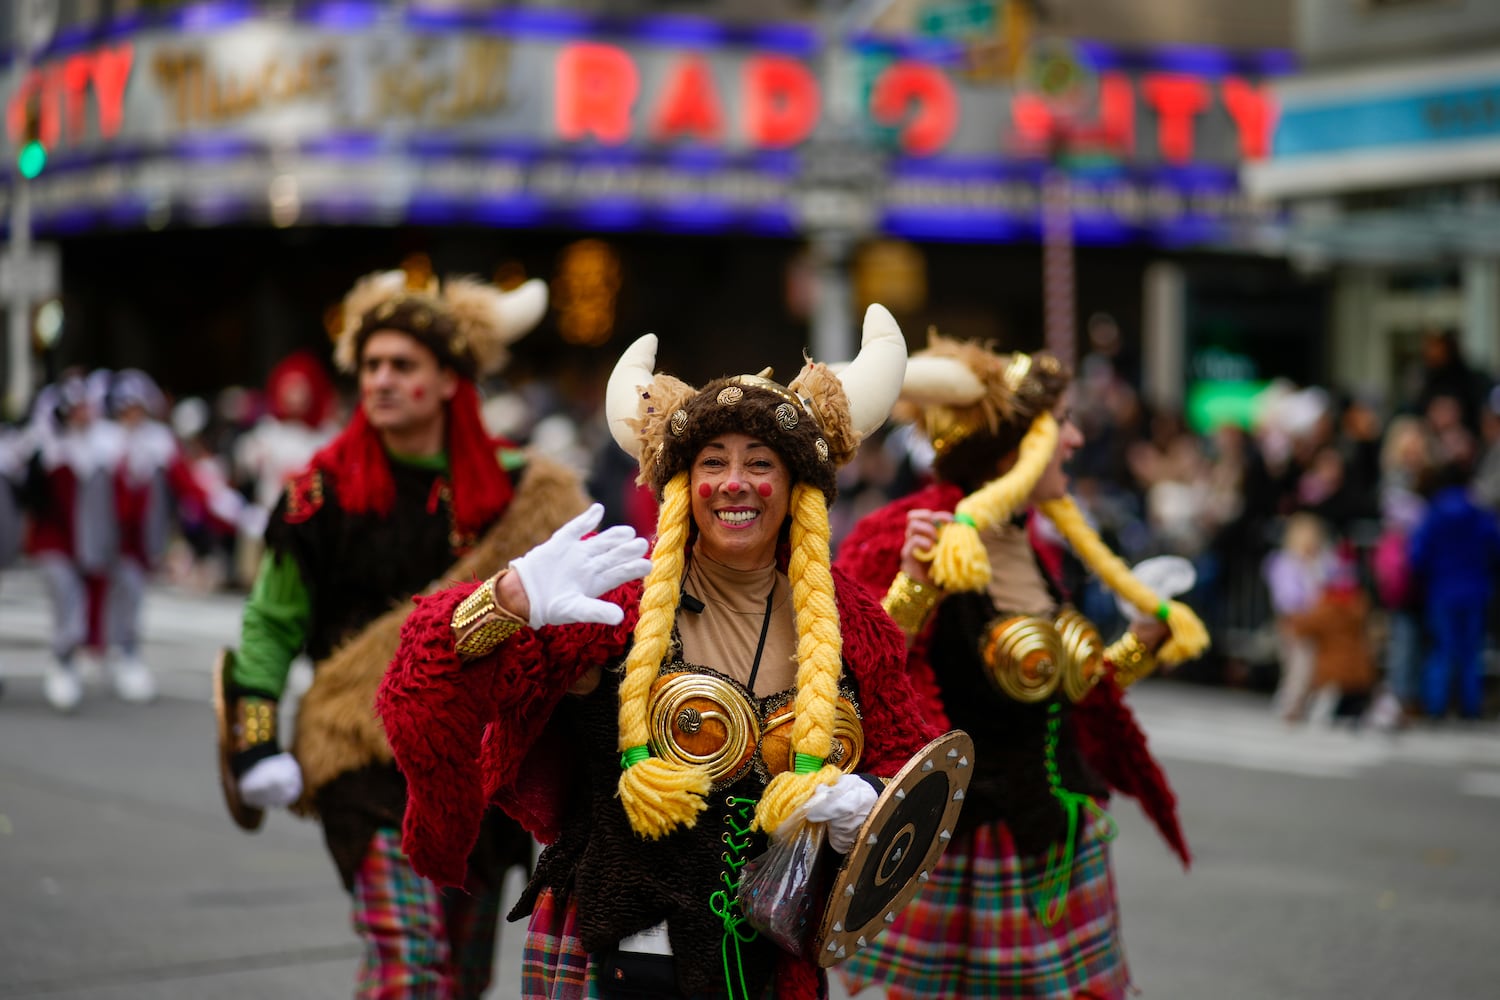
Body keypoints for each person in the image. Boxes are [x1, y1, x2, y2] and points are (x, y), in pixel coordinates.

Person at [377, 306, 946, 999]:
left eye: (760, 463)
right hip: (617, 950)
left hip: (768, 960)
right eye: (713, 463)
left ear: (798, 487)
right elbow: (419, 688)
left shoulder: (851, 620)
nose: (734, 483)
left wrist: (872, 803)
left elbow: (914, 767)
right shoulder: (615, 606)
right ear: (682, 486)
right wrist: (507, 600)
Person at [222, 266, 587, 998]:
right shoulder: (318, 493)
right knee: (411, 965)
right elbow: (268, 625)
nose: (381, 380)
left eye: (403, 366)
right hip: (363, 756)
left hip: (479, 767)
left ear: (451, 380)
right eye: (371, 366)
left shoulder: (526, 490)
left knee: (460, 975)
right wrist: (256, 737)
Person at [833, 334, 1209, 999]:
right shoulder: (910, 531)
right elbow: (861, 674)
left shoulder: (1033, 543)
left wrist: (1141, 641)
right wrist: (916, 585)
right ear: (1013, 450)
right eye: (1058, 425)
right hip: (965, 844)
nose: (1072, 440)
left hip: (1055, 832)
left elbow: (1065, 694)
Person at [22, 373, 122, 712]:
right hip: (53, 541)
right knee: (66, 596)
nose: (84, 414)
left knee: (84, 600)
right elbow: (30, 495)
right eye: (76, 409)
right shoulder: (45, 449)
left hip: (87, 542)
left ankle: (77, 656)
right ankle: (63, 659)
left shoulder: (101, 447)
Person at [1408, 458, 1500, 720]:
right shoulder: (1480, 514)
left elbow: (1418, 555)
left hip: (1442, 590)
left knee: (1442, 650)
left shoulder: (1434, 514)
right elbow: (1495, 547)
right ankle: (1470, 707)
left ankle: (1436, 706)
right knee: (1471, 653)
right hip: (1476, 590)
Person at [1263, 512, 1336, 723]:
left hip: (1317, 623)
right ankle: (1288, 704)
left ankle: (1303, 704)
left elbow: (1330, 585)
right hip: (1294, 622)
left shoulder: (1320, 563)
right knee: (1297, 666)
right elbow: (1286, 597)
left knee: (1312, 666)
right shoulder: (1286, 563)